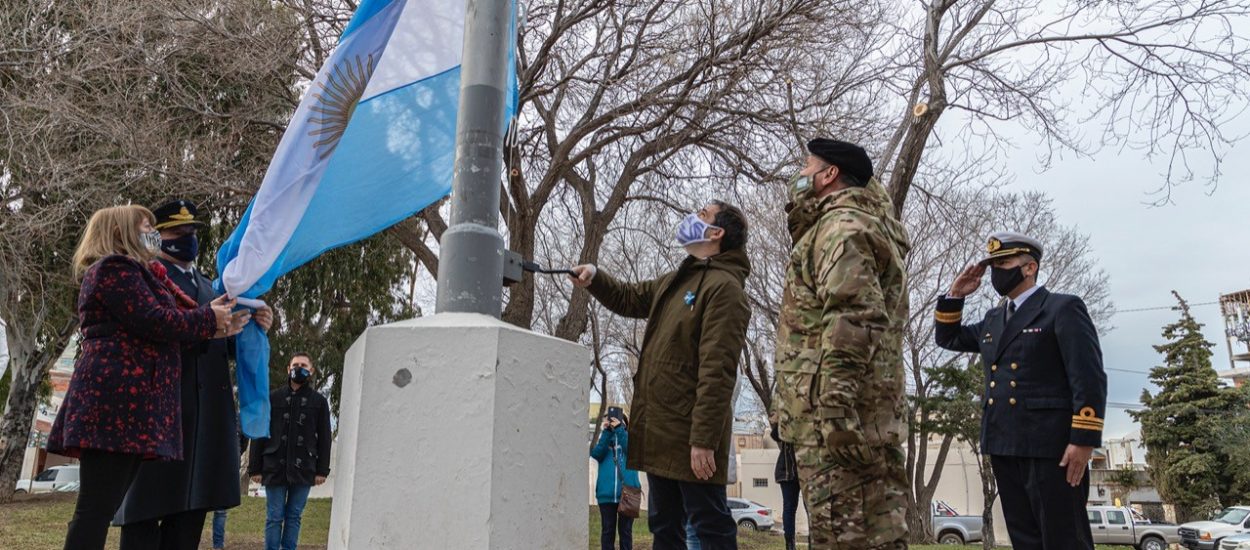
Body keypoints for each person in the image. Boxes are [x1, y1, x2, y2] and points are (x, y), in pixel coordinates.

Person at [47, 205, 245, 550]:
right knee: (95, 510)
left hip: (131, 414)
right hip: (113, 410)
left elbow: (178, 313)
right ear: (122, 231)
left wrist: (219, 315)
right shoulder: (113, 270)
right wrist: (208, 320)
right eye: (145, 227)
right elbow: (157, 320)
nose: (152, 234)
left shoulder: (144, 274)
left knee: (100, 507)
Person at [570, 201, 751, 550]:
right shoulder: (675, 281)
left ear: (716, 234)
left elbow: (718, 372)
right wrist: (596, 277)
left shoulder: (724, 289)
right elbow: (627, 298)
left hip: (691, 438)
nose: (691, 218)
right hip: (661, 432)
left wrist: (703, 440)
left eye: (702, 214)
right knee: (664, 527)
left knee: (709, 525)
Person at [773, 139, 911, 550]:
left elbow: (853, 317)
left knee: (844, 538)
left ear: (828, 174)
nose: (800, 174)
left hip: (840, 427)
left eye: (806, 165)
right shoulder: (844, 225)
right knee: (874, 538)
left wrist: (834, 409)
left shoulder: (841, 227)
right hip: (848, 421)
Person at [116, 199, 273, 550]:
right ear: (156, 237)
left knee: (188, 519)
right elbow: (152, 333)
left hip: (204, 424)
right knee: (143, 515)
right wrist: (205, 324)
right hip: (161, 417)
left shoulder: (209, 287)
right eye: (177, 231)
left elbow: (221, 347)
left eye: (192, 231)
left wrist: (254, 328)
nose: (187, 238)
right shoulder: (146, 277)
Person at [934, 232, 1107, 550]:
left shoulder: (1061, 308)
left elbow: (1089, 376)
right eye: (993, 265)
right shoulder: (994, 318)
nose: (997, 271)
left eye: (1004, 262)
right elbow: (949, 338)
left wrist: (1083, 441)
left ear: (1029, 268)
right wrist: (956, 294)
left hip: (1051, 448)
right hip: (1003, 441)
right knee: (1024, 538)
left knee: (1063, 539)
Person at [249, 353, 333, 550]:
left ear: (311, 371)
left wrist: (322, 470)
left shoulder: (319, 401)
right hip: (273, 466)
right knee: (274, 516)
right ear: (288, 369)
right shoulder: (272, 398)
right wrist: (254, 468)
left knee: (294, 515)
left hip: (304, 467)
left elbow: (325, 437)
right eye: (296, 364)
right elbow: (260, 432)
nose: (299, 368)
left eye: (304, 365)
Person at [591, 412, 641, 550]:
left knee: (625, 532)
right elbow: (596, 454)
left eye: (618, 421)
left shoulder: (631, 439)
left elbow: (631, 452)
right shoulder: (605, 439)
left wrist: (620, 430)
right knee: (607, 531)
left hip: (628, 493)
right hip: (606, 494)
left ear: (624, 424)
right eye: (610, 421)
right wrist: (606, 432)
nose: (613, 422)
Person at [770, 420, 800, 550]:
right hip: (787, 470)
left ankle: (813, 541)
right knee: (789, 507)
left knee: (808, 506)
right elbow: (775, 434)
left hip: (806, 469)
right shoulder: (787, 416)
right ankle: (790, 545)